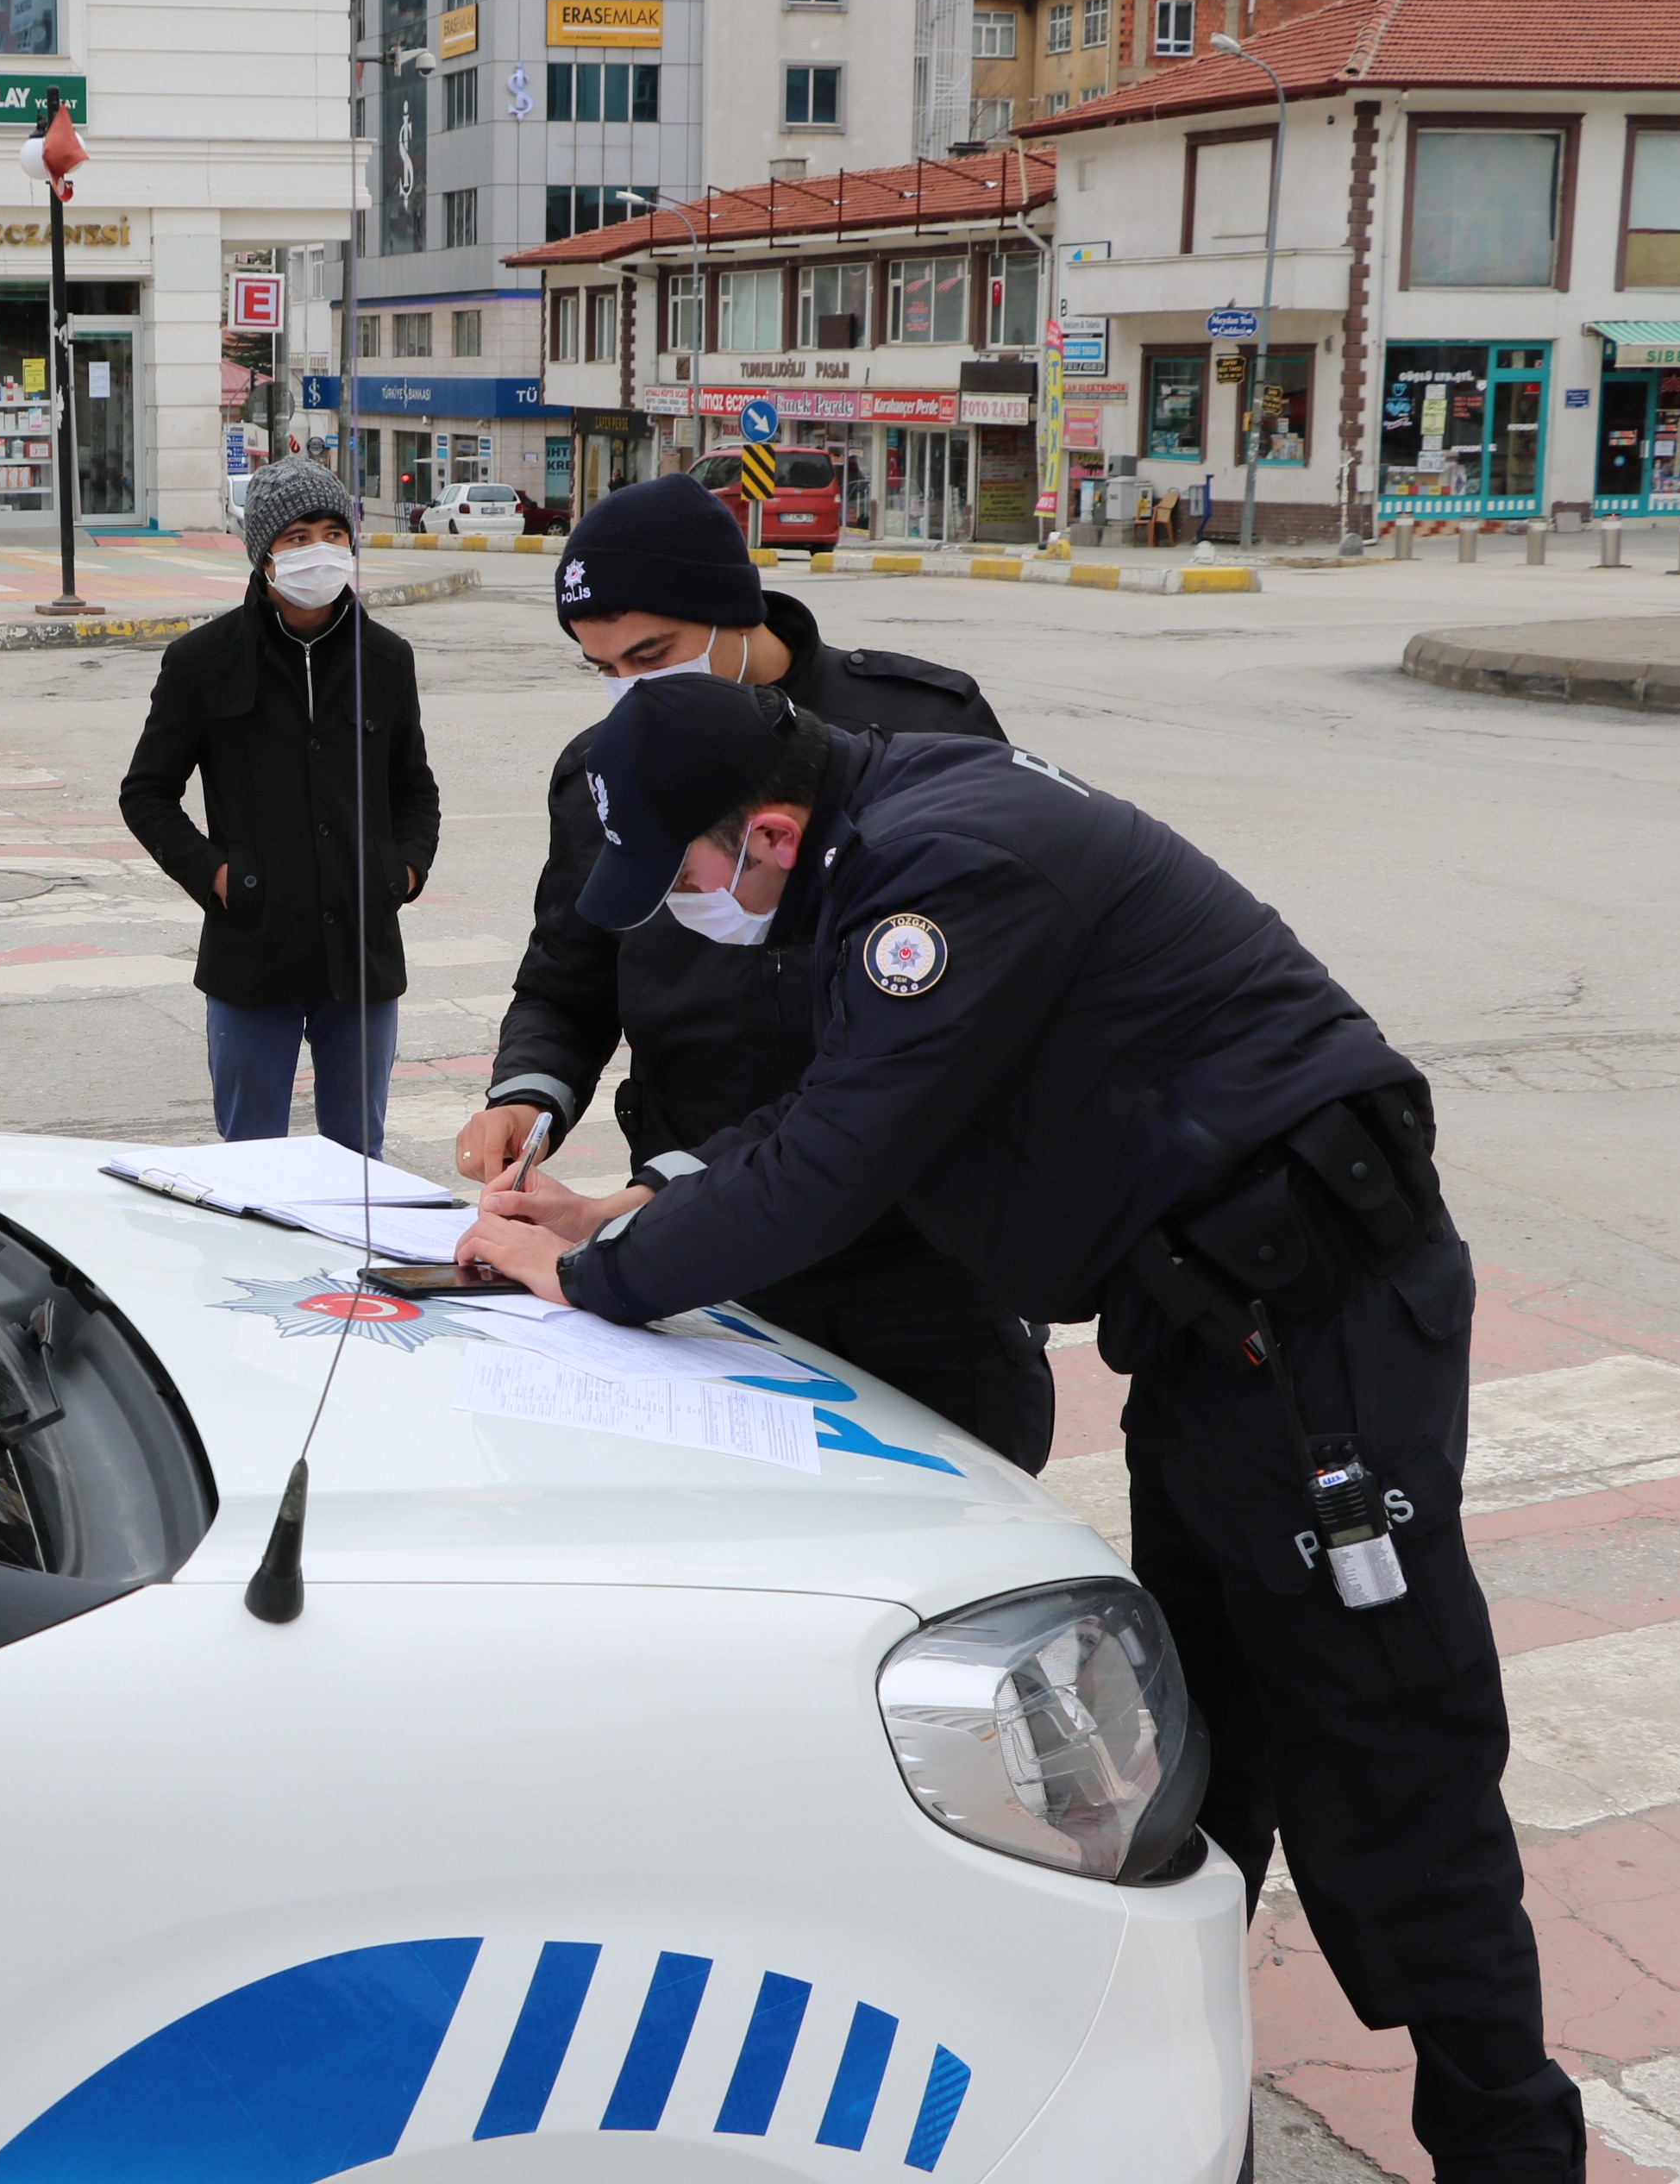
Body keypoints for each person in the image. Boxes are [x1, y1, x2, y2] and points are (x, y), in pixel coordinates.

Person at [456, 674, 1583, 2184]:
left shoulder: (940, 869)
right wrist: (624, 1203)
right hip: (1216, 1333)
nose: (682, 912)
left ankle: (1509, 2149)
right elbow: (837, 1103)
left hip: (1314, 1338)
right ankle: (1174, 2105)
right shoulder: (882, 839)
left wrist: (584, 1270)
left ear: (769, 833)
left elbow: (847, 1151)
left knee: (1385, 1752)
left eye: (684, 878)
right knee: (1201, 1745)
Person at [454, 471, 1054, 1469]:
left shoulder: (917, 727)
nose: (629, 690)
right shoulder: (608, 770)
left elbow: (973, 1012)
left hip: (916, 1240)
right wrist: (527, 1093)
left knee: (958, 1522)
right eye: (601, 668)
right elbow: (568, 972)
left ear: (733, 614)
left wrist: (625, 1214)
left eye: (651, 655)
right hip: (703, 1231)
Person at [120, 457, 440, 1154]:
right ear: (264, 555)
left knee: (359, 1164)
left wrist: (402, 872)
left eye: (333, 533)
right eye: (297, 537)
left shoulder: (386, 659)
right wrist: (217, 874)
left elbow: (414, 787)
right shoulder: (202, 661)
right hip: (252, 949)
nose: (318, 551)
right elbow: (146, 793)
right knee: (252, 1162)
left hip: (361, 952)